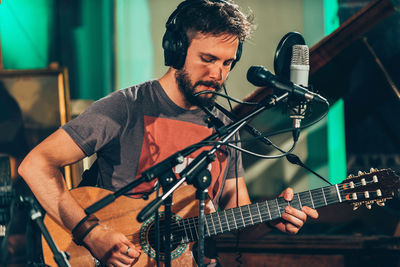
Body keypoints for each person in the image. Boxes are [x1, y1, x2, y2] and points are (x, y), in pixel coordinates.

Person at [18, 0, 319, 266]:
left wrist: (271, 219)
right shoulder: (126, 107)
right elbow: (36, 165)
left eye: (228, 63)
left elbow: (234, 219)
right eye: (208, 59)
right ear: (176, 51)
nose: (218, 75)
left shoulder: (228, 127)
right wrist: (93, 234)